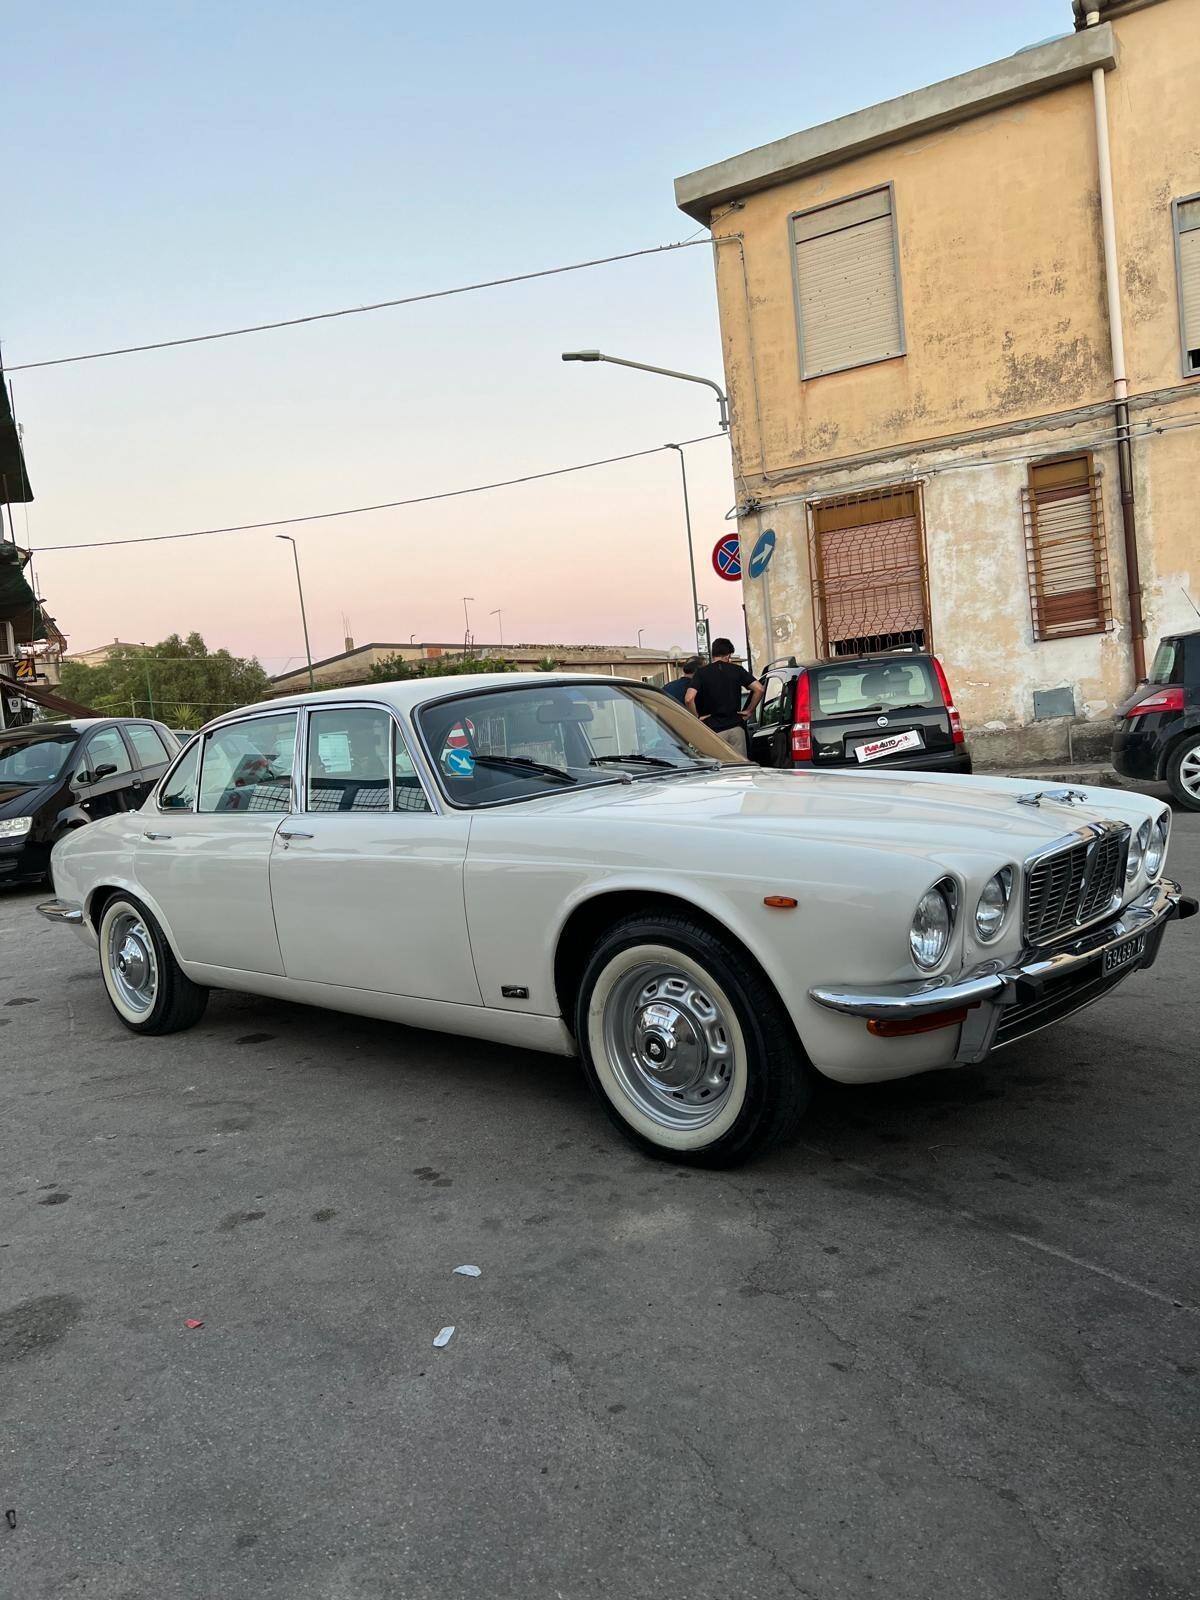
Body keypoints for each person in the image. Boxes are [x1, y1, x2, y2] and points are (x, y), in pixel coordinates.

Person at [686, 639, 763, 756]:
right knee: (739, 770)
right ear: (728, 655)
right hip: (736, 728)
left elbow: (689, 698)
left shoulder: (701, 673)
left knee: (718, 771)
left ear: (713, 654)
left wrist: (696, 717)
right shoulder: (737, 670)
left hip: (712, 731)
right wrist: (749, 710)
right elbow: (759, 689)